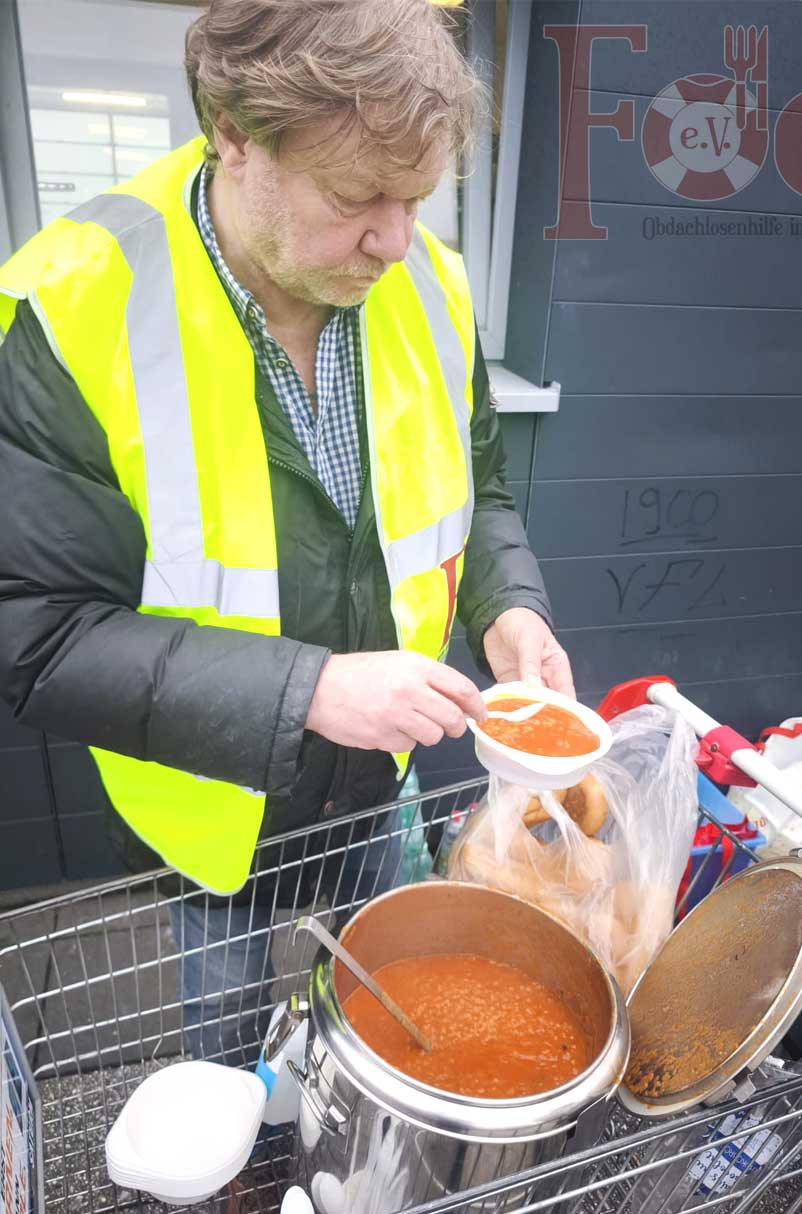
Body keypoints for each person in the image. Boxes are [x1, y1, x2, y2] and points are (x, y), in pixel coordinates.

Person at [0, 0, 573, 1066]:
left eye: (418, 198)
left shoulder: (432, 287)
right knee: (221, 1062)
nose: (395, 241)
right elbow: (35, 632)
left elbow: (477, 490)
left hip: (379, 794)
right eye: (357, 196)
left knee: (376, 1032)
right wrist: (308, 689)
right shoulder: (74, 305)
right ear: (233, 133)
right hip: (209, 819)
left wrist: (509, 609)